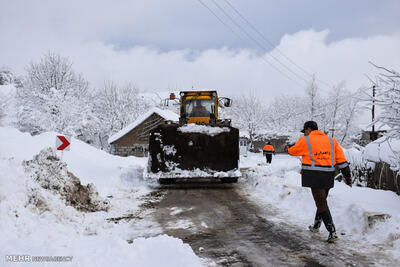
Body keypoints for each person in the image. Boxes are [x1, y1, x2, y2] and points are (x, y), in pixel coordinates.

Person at [284, 121, 352, 243]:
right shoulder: (332, 141)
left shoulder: (306, 140)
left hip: (314, 175)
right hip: (328, 176)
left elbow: (294, 151)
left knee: (321, 202)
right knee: (322, 201)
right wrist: (348, 177)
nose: (304, 134)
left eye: (305, 131)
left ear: (309, 129)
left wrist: (287, 148)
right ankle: (316, 226)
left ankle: (332, 232)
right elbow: (341, 160)